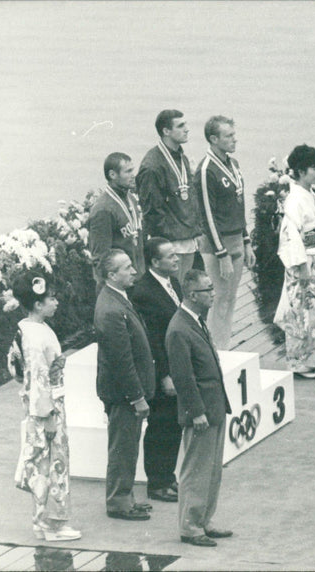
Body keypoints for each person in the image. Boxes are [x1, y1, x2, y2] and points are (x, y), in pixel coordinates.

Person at [7, 271, 81, 541]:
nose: (56, 302)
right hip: (47, 408)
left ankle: (43, 520)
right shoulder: (38, 338)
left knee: (42, 462)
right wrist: (48, 414)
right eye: (51, 298)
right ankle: (52, 522)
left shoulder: (26, 329)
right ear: (38, 304)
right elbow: (39, 378)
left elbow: (15, 369)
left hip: (38, 404)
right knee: (52, 463)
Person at [165, 269, 233, 547]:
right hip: (202, 412)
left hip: (213, 407)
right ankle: (190, 525)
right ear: (193, 295)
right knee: (196, 470)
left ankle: (204, 518)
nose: (213, 293)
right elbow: (183, 376)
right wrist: (197, 412)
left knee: (212, 469)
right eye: (208, 290)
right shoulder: (180, 329)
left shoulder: (195, 321)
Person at [94, 249, 156, 521]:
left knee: (128, 445)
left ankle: (126, 496)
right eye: (127, 267)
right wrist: (137, 397)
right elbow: (122, 360)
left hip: (125, 394)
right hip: (123, 395)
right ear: (111, 275)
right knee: (123, 447)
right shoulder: (110, 310)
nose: (134, 271)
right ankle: (119, 502)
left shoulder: (116, 299)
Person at [273, 144, 315, 379]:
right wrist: (300, 264)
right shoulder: (294, 199)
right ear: (300, 171)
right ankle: (298, 361)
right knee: (300, 309)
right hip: (301, 261)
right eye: (314, 168)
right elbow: (291, 234)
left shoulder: (310, 195)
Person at [194, 115, 256, 350]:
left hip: (237, 242)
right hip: (217, 248)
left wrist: (247, 241)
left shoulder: (234, 164)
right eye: (228, 136)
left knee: (230, 300)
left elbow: (239, 208)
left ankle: (223, 346)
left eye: (233, 134)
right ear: (213, 139)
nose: (234, 139)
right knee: (218, 300)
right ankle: (213, 351)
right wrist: (222, 255)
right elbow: (207, 216)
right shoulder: (205, 170)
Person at [131, 237, 183, 503]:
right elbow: (151, 339)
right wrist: (165, 374)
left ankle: (168, 476)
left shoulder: (172, 281)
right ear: (154, 262)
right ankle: (157, 482)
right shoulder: (143, 292)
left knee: (174, 424)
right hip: (162, 372)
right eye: (170, 256)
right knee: (161, 424)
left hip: (179, 366)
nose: (176, 259)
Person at [136, 110, 202, 286]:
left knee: (186, 295)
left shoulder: (181, 157)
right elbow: (152, 212)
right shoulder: (152, 166)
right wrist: (166, 249)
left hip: (188, 241)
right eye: (181, 126)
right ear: (166, 131)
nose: (187, 129)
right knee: (175, 298)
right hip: (172, 247)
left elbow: (188, 198)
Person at [88, 152, 145, 294]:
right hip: (119, 287)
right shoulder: (103, 210)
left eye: (133, 170)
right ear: (113, 175)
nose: (134, 175)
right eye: (128, 171)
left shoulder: (130, 198)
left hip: (136, 281)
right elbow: (100, 258)